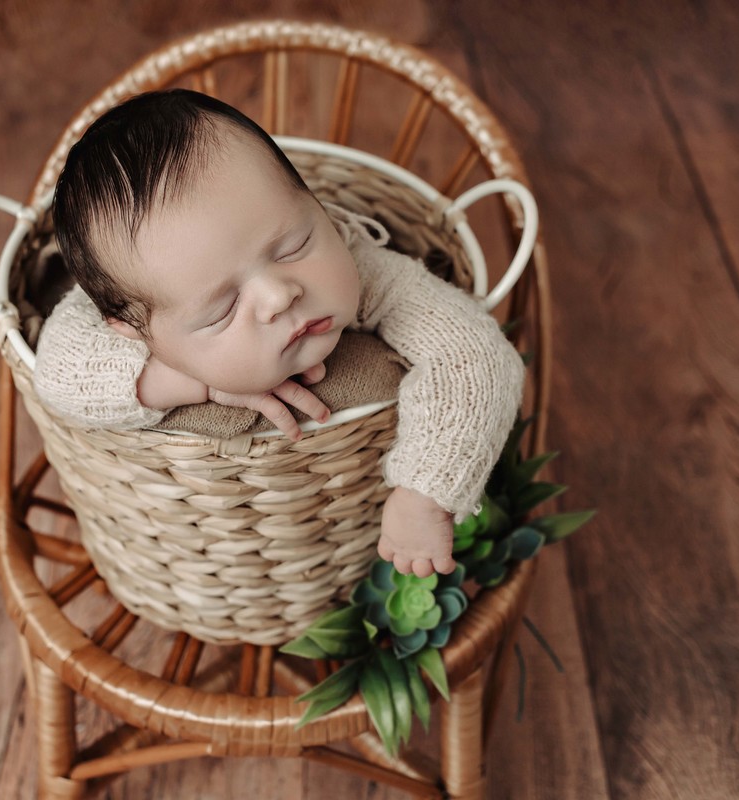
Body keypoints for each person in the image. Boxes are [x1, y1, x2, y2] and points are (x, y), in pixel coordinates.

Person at [33, 89, 526, 577]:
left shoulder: (367, 270)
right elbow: (56, 372)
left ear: (316, 203)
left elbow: (473, 354)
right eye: (221, 310)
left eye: (293, 246)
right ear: (136, 334)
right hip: (198, 558)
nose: (279, 295)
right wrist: (191, 382)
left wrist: (425, 492)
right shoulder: (132, 314)